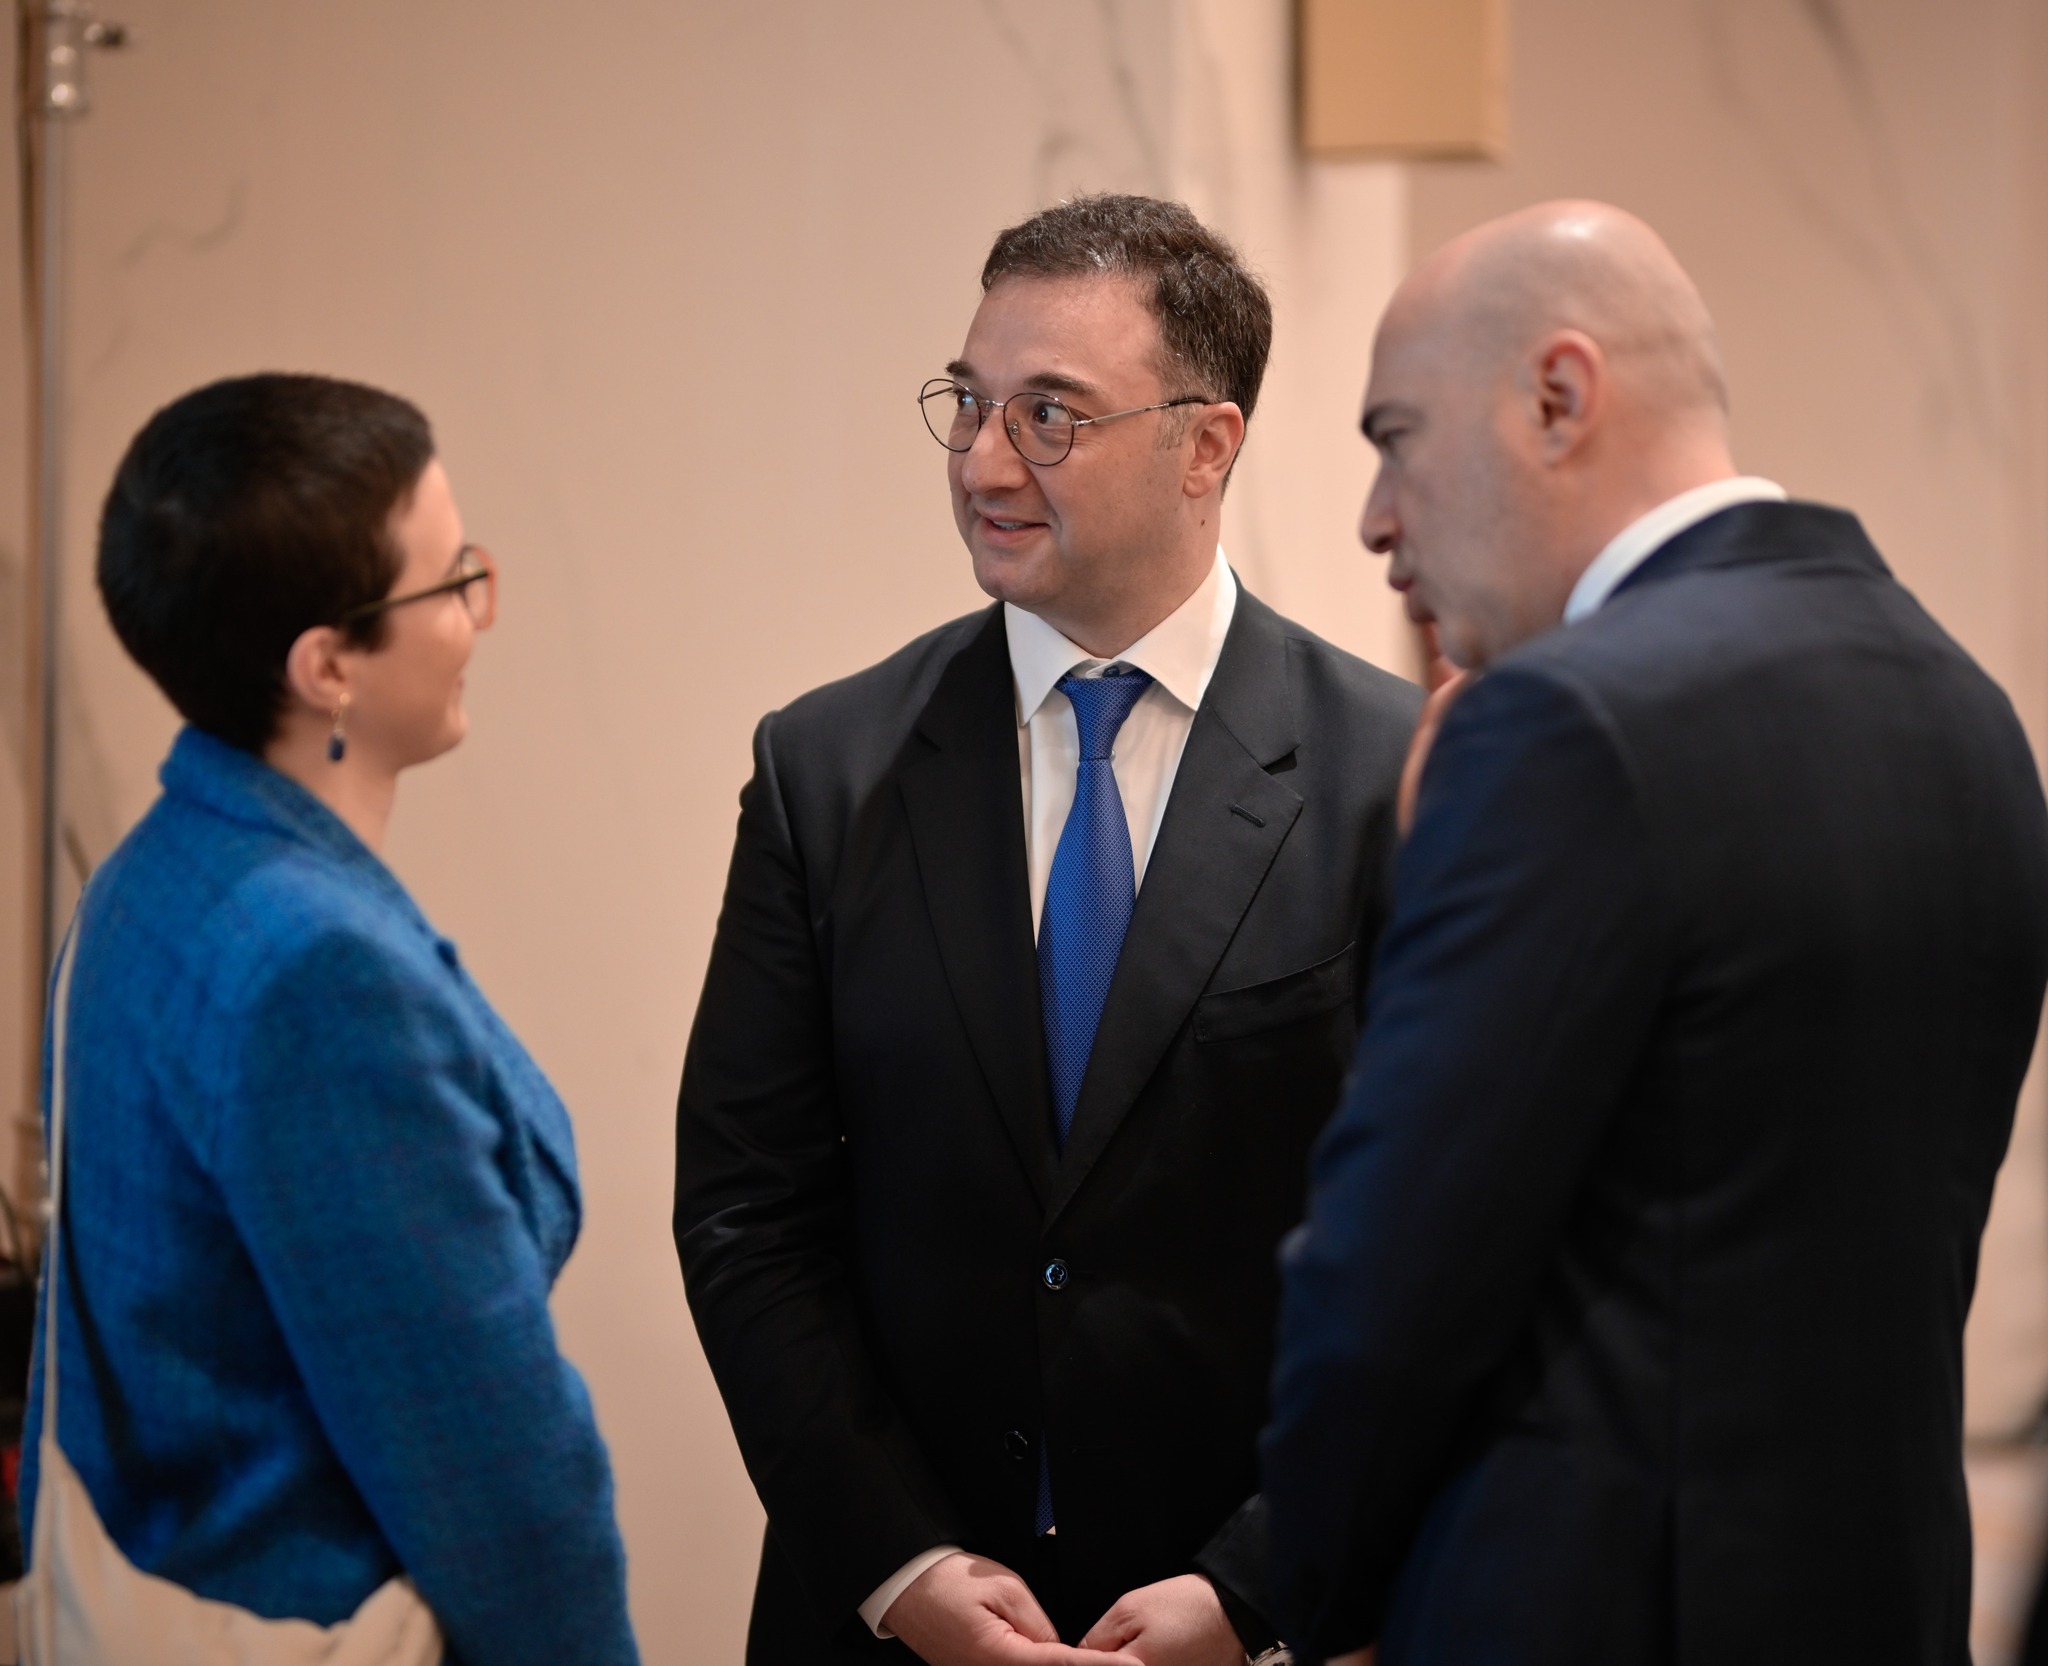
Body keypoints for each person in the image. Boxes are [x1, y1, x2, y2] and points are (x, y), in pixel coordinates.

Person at [1260, 200, 2048, 1664]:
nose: (1376, 517)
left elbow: (1392, 1276)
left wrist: (1309, 1595)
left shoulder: (1559, 727)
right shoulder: (1964, 707)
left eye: (1397, 439)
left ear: (1558, 397)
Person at [674, 194, 1423, 1665]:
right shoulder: (827, 768)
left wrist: (1258, 1584)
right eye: (970, 403)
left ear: (1207, 444)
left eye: (1050, 416)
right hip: (891, 1620)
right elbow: (748, 1212)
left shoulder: (1395, 774)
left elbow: (1438, 1244)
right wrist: (898, 1562)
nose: (983, 462)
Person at [21, 374, 640, 1665]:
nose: (476, 613)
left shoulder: (146, 877)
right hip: (308, 1612)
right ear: (327, 667)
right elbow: (504, 1482)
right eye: (450, 581)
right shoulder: (318, 975)